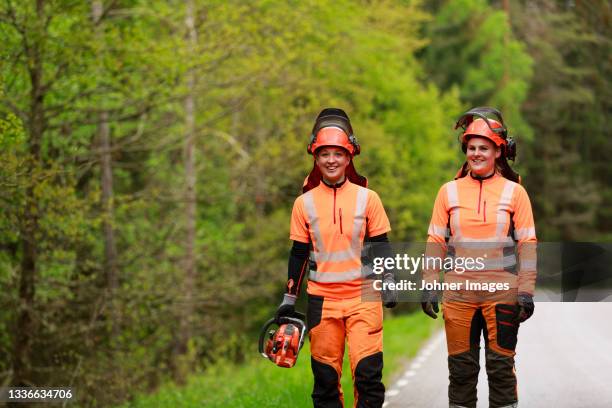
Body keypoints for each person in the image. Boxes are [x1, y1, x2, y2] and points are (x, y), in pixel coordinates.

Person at [275, 108, 397, 408]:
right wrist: (290, 297)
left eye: (338, 153)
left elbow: (381, 245)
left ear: (349, 156)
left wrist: (390, 279)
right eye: (325, 154)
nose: (331, 160)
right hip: (322, 300)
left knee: (368, 375)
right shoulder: (303, 203)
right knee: (326, 382)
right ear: (315, 158)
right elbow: (299, 254)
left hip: (364, 296)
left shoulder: (368, 198)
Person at [421, 107, 537, 408]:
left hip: (502, 295)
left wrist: (525, 290)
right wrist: (429, 283)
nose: (476, 153)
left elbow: (528, 243)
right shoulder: (448, 192)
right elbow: (436, 240)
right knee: (461, 372)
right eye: (471, 148)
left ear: (498, 151)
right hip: (459, 296)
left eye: (483, 148)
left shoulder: (515, 193)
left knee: (500, 370)